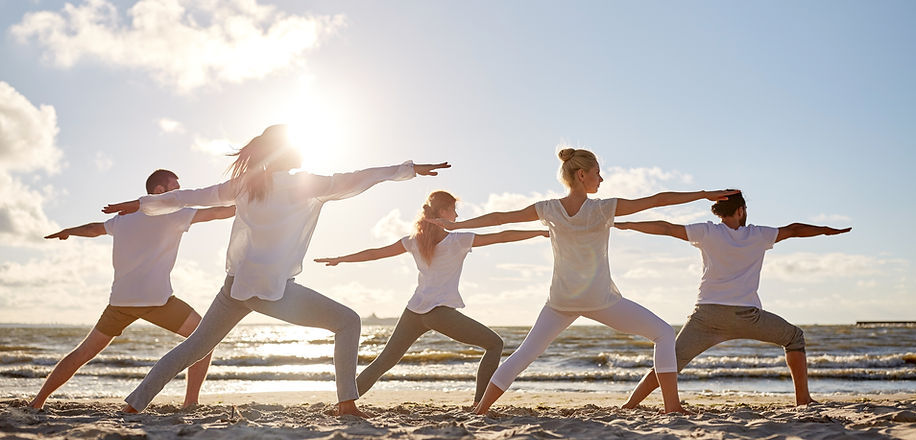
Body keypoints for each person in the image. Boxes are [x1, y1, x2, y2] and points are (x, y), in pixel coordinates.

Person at [102, 124, 449, 417]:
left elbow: (189, 196)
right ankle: (347, 404)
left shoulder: (247, 184)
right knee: (348, 322)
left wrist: (141, 204)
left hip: (235, 286)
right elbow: (359, 178)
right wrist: (408, 170)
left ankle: (133, 406)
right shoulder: (305, 184)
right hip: (271, 290)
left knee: (194, 347)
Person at [431, 148, 738, 415]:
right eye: (597, 173)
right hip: (600, 299)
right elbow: (657, 199)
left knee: (524, 354)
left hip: (561, 300)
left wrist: (454, 225)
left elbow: (500, 218)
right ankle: (672, 407)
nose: (600, 180)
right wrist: (702, 194)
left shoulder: (548, 209)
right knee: (662, 333)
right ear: (581, 175)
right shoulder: (603, 208)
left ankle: (481, 409)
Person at [617, 192, 851, 408]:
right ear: (740, 210)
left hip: (707, 316)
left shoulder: (707, 232)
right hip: (747, 317)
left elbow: (666, 228)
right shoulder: (758, 234)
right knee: (794, 338)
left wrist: (627, 225)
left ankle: (630, 404)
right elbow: (795, 229)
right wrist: (826, 230)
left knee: (671, 361)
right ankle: (803, 400)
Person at [314, 190, 549, 406]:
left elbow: (376, 253)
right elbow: (502, 237)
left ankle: (343, 405)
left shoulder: (414, 240)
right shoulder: (457, 240)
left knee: (382, 363)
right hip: (439, 313)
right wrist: (538, 232)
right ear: (443, 212)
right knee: (494, 344)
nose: (456, 215)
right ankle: (479, 406)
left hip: (414, 312)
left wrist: (341, 258)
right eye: (454, 210)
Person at [29, 169, 235, 410]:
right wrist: (253, 200)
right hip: (158, 302)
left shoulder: (124, 218)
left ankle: (37, 402)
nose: (180, 195)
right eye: (175, 189)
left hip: (120, 303)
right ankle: (190, 402)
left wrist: (68, 231)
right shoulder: (175, 215)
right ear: (159, 191)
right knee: (204, 339)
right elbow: (220, 212)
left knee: (83, 352)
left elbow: (94, 228)